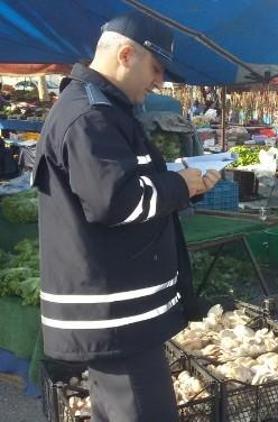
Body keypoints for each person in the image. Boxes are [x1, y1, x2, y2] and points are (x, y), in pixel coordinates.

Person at [31, 12, 221, 421]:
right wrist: (182, 185)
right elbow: (116, 202)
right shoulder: (89, 116)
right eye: (155, 69)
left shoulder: (100, 109)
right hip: (116, 317)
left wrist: (171, 179)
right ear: (125, 54)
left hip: (118, 316)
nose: (158, 82)